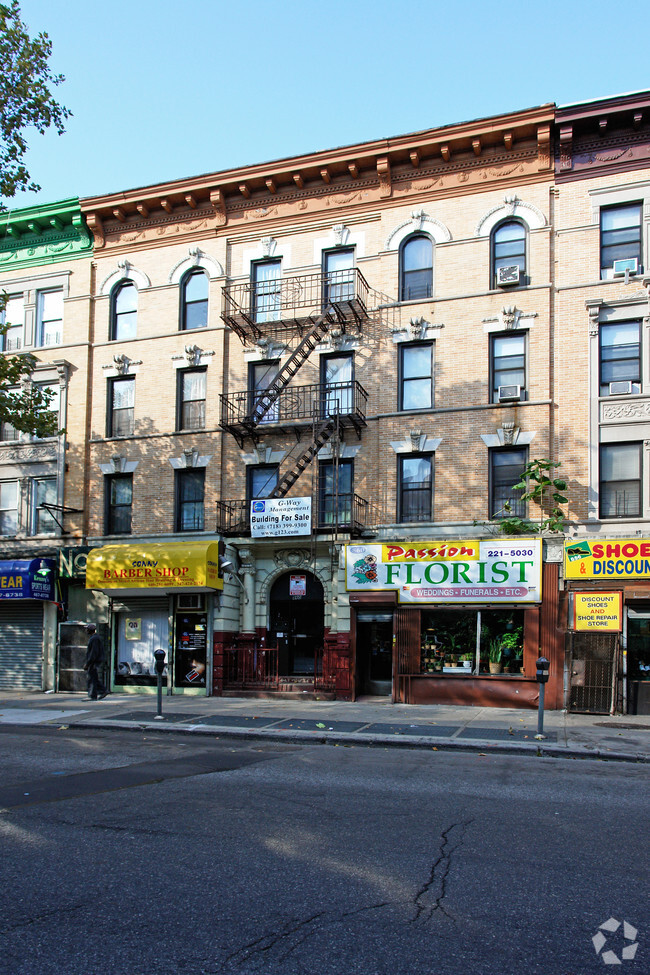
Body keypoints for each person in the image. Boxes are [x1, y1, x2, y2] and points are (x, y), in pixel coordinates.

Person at [84, 624, 108, 700]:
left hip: (94, 662)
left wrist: (88, 663)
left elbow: (93, 652)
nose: (86, 631)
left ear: (89, 630)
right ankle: (102, 690)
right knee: (94, 678)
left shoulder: (94, 639)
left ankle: (93, 695)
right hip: (94, 661)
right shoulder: (95, 638)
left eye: (87, 629)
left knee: (92, 678)